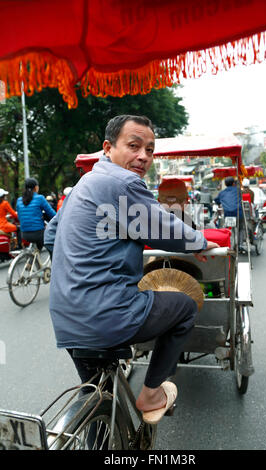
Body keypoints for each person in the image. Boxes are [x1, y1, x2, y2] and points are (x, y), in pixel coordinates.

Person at [45, 114, 219, 424]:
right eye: (134, 146)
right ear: (108, 148)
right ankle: (151, 392)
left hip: (66, 315)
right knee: (185, 305)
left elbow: (50, 234)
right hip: (106, 314)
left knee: (98, 398)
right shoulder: (123, 182)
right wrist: (199, 242)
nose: (143, 156)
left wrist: (75, 262)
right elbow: (164, 228)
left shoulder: (85, 183)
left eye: (150, 150)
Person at [16, 178, 56, 250]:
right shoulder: (40, 198)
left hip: (24, 234)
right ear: (36, 187)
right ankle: (53, 260)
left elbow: (19, 216)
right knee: (52, 244)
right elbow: (52, 214)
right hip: (38, 234)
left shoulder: (19, 200)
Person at [214, 176, 244, 251]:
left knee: (227, 230)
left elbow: (216, 200)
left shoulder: (222, 193)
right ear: (234, 183)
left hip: (227, 215)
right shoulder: (238, 190)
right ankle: (240, 245)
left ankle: (228, 244)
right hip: (238, 213)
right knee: (240, 228)